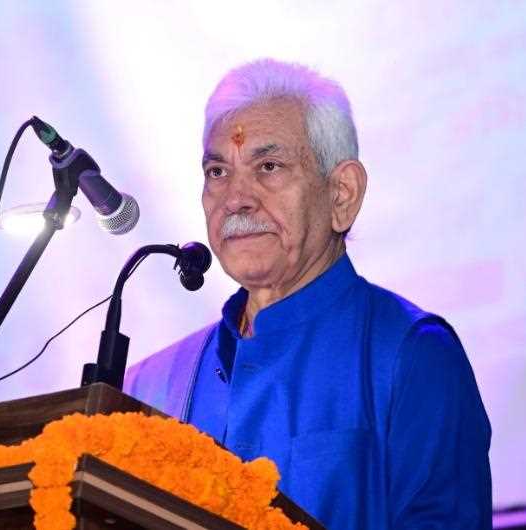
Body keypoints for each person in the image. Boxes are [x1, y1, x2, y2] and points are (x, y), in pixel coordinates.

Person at [124, 58, 492, 529]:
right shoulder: (149, 386)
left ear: (342, 194)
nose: (235, 198)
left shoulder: (411, 355)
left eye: (268, 166)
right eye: (217, 171)